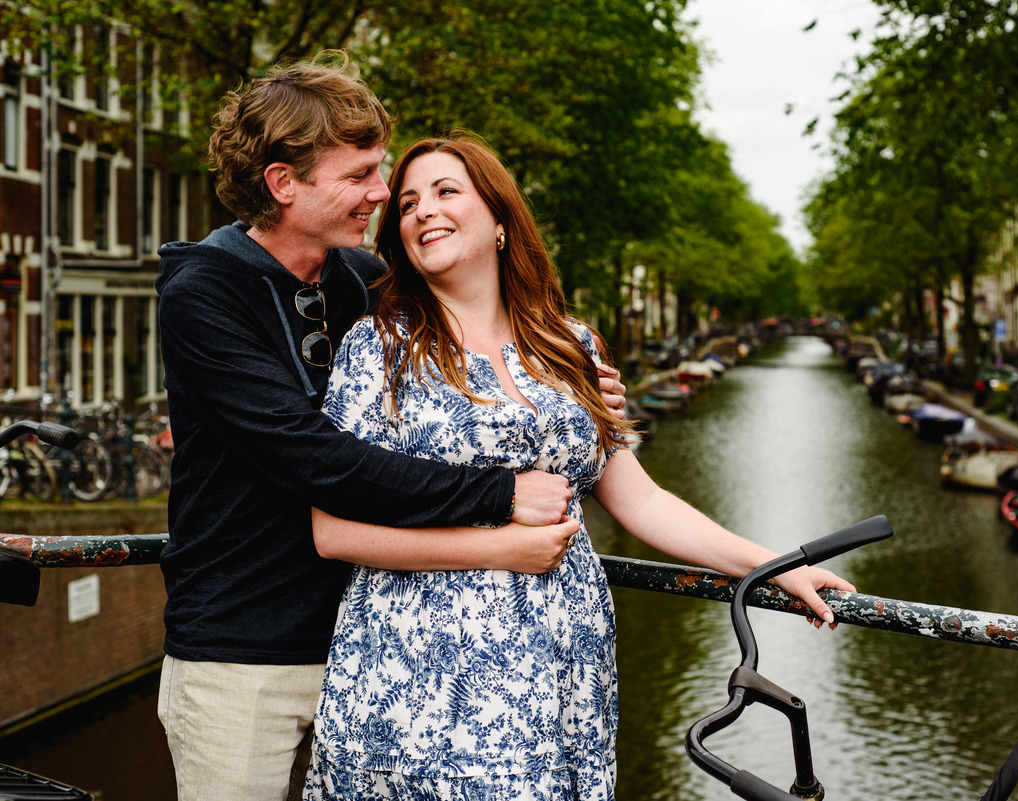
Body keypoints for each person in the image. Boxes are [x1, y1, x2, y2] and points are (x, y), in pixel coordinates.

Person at [302, 131, 856, 800]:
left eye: (447, 191)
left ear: (500, 219)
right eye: (409, 203)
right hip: (422, 679)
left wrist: (777, 567)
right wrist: (500, 549)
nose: (424, 210)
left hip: (562, 668)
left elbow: (641, 500)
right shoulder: (379, 348)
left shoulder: (570, 345)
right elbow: (333, 531)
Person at [154, 54, 627, 801]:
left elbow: (463, 342)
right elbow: (317, 458)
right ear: (283, 183)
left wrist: (575, 381)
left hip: (372, 644)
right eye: (361, 175)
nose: (382, 192)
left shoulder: (361, 281)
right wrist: (501, 494)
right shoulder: (204, 294)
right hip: (242, 649)